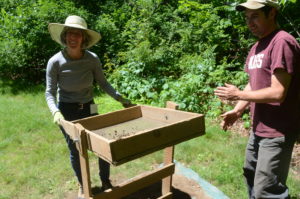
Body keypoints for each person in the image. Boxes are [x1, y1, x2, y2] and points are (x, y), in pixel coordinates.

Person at [214, 0, 300, 198]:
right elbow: (254, 83)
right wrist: (237, 110)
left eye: (255, 16)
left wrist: (238, 94)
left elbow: (278, 92)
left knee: (267, 190)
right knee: (251, 175)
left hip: (278, 130)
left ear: (271, 13)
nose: (249, 23)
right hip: (259, 127)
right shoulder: (256, 47)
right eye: (247, 18)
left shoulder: (282, 42)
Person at [45, 15, 133, 197]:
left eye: (77, 34)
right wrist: (56, 112)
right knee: (76, 149)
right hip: (67, 110)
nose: (73, 38)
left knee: (102, 145)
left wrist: (120, 98)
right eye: (70, 33)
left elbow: (103, 83)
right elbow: (49, 92)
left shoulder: (92, 59)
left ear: (83, 38)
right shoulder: (55, 62)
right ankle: (83, 184)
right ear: (64, 36)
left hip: (89, 106)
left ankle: (105, 180)